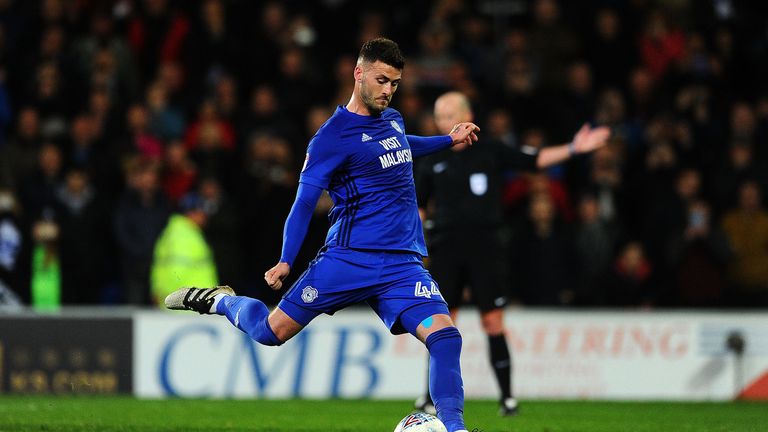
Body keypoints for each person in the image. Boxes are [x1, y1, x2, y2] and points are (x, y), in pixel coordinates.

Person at [165, 38, 481, 432]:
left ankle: (455, 429)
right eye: (382, 80)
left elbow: (403, 145)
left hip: (401, 264)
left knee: (446, 338)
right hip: (348, 259)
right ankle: (222, 302)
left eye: (395, 83)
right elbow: (302, 204)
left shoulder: (393, 120)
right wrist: (285, 259)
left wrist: (447, 140)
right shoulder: (331, 138)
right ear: (358, 73)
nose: (388, 90)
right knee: (270, 332)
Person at [415, 91, 611, 416]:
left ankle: (507, 398)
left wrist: (575, 148)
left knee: (493, 321)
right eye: (439, 115)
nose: (443, 121)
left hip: (486, 249)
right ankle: (429, 396)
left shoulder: (490, 151)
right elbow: (419, 209)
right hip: (445, 248)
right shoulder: (431, 159)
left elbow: (533, 160)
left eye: (449, 114)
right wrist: (417, 248)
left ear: (467, 115)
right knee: (440, 326)